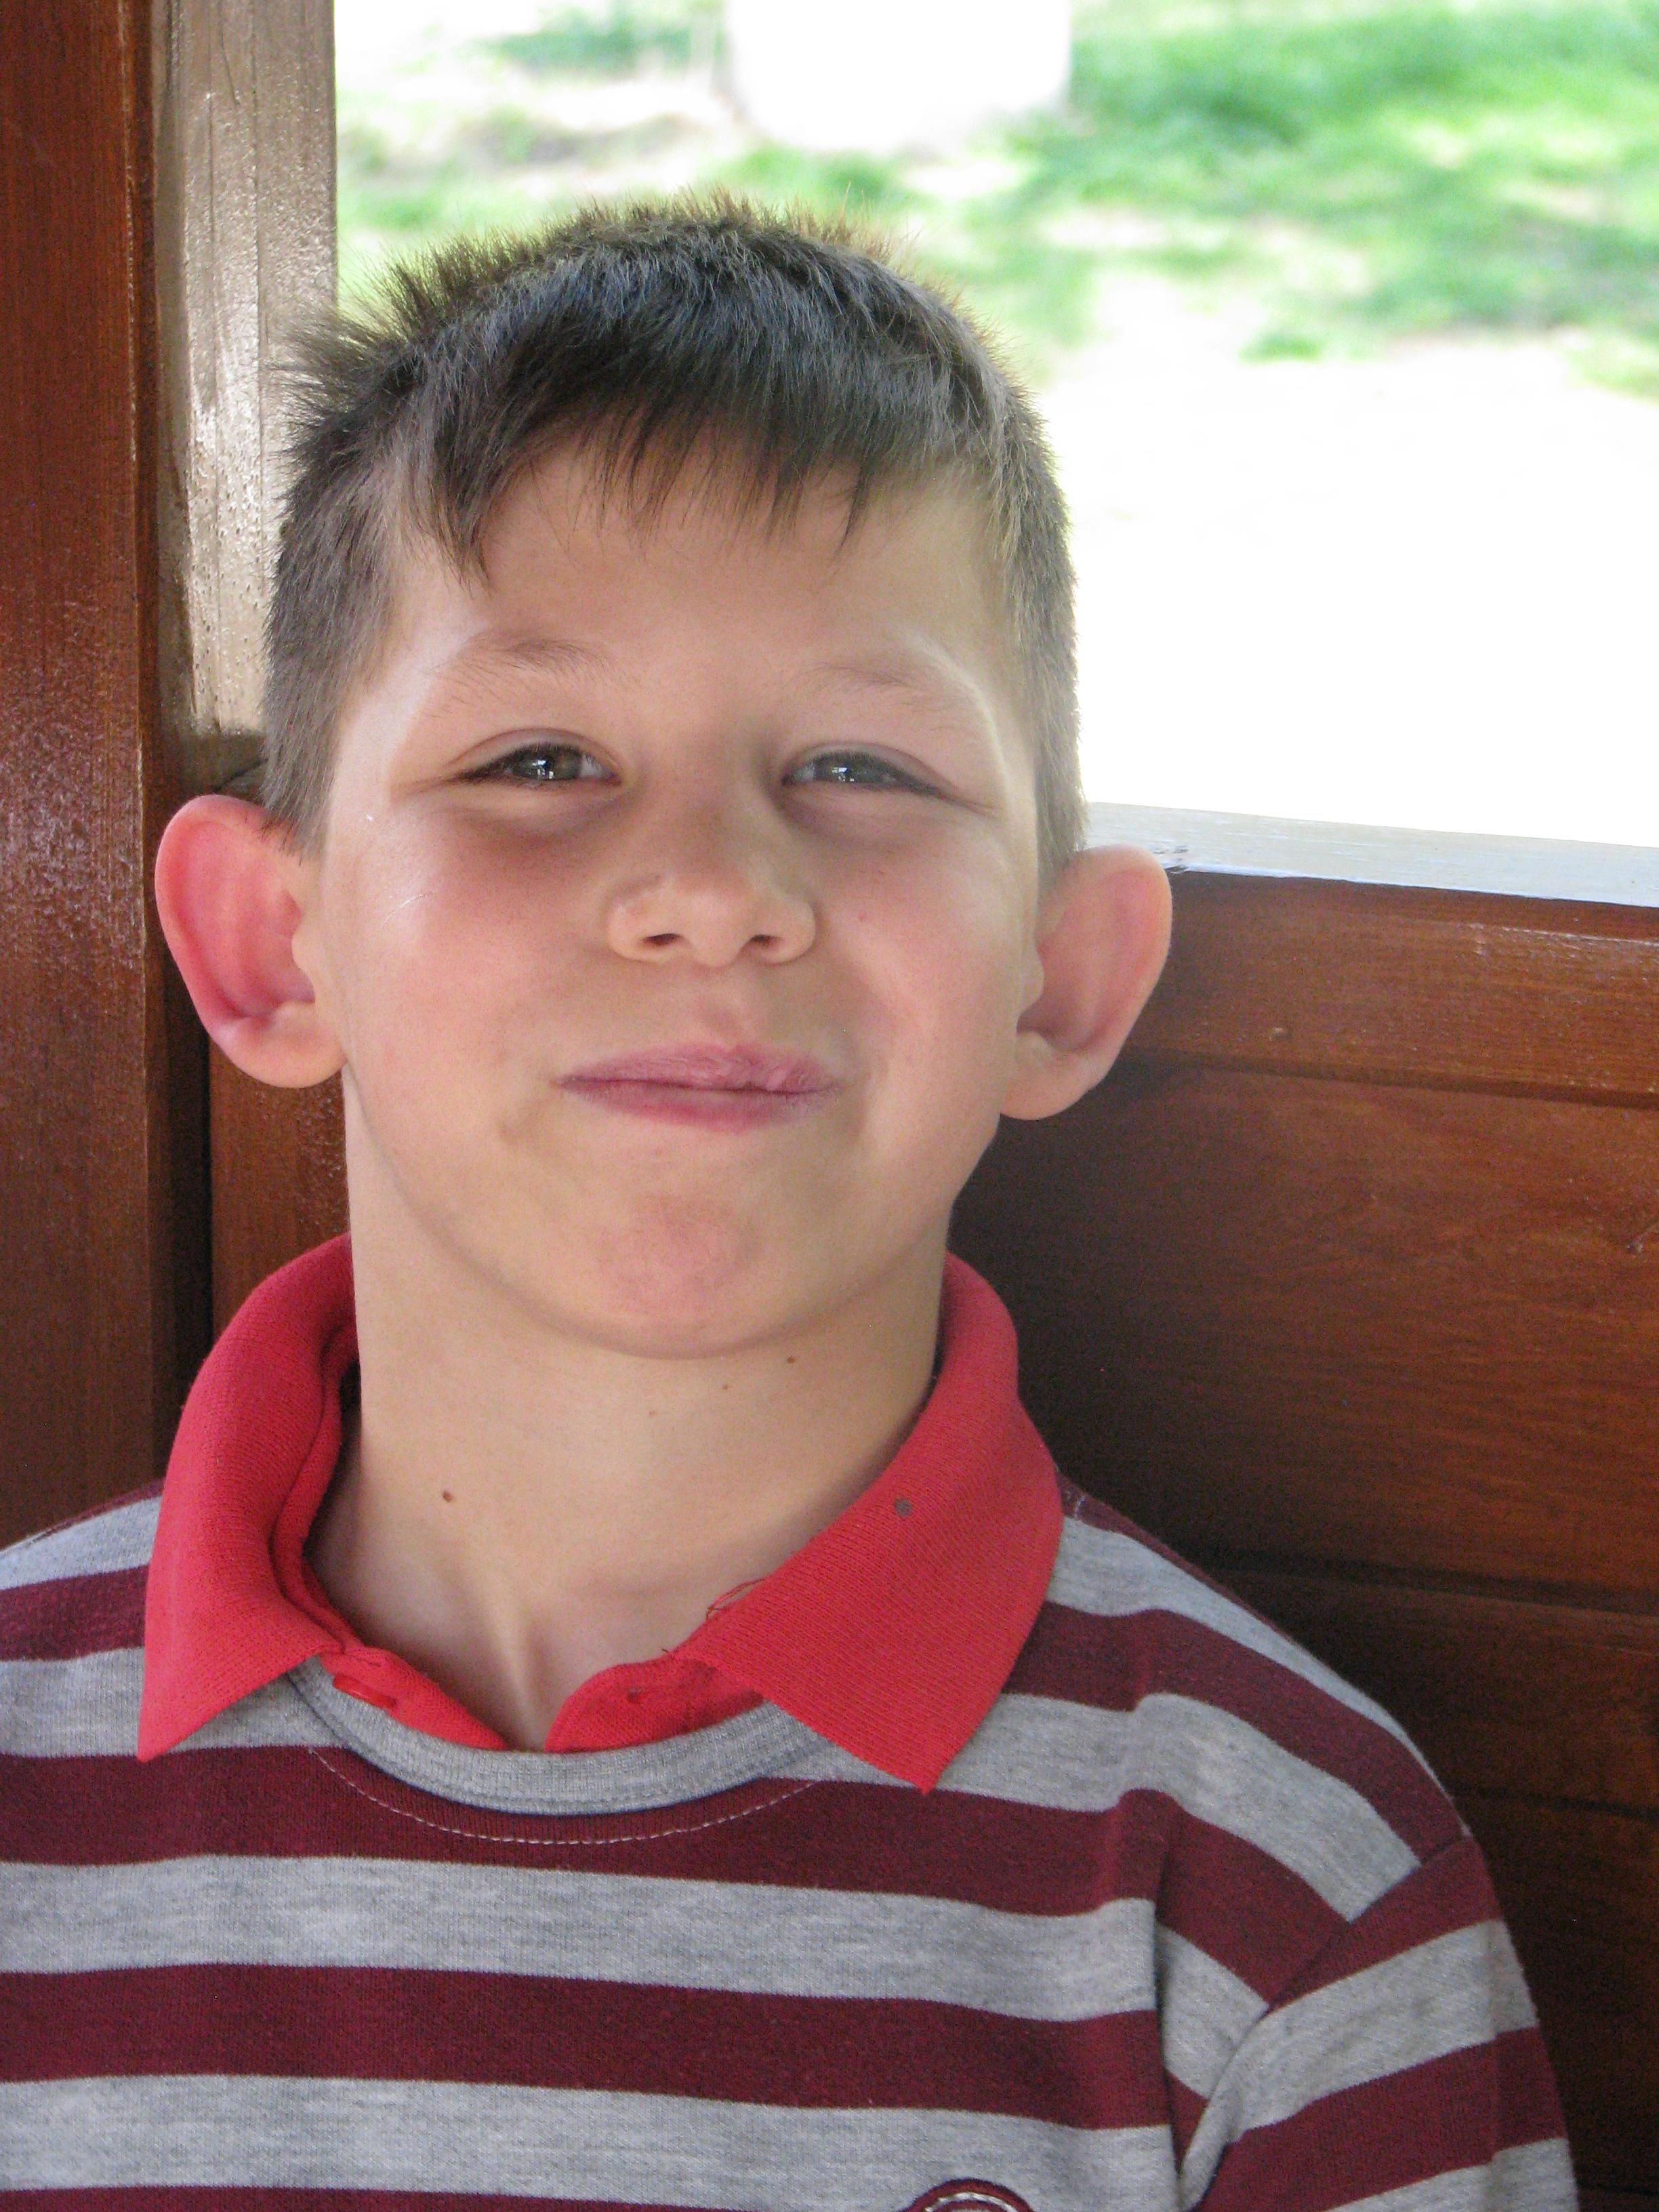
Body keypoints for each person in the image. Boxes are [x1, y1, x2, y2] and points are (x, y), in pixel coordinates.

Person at [0, 201, 1573, 2209]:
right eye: (541, 757)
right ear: (270, 943)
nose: (714, 887)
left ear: (1063, 978)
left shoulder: (1285, 1903)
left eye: (860, 766)